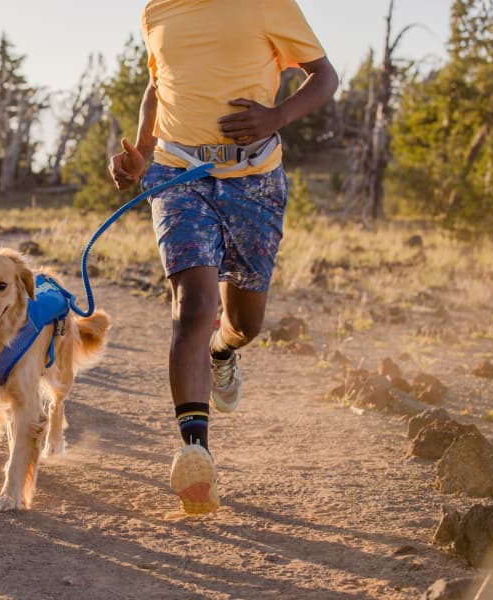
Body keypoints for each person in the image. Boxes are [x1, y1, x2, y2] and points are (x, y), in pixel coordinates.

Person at [109, 0, 338, 514]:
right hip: (177, 174)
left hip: (255, 180)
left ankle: (222, 352)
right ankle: (196, 458)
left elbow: (324, 77)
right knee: (192, 305)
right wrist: (142, 151)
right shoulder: (157, 11)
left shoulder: (268, 5)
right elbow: (157, 84)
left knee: (244, 324)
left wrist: (276, 116)